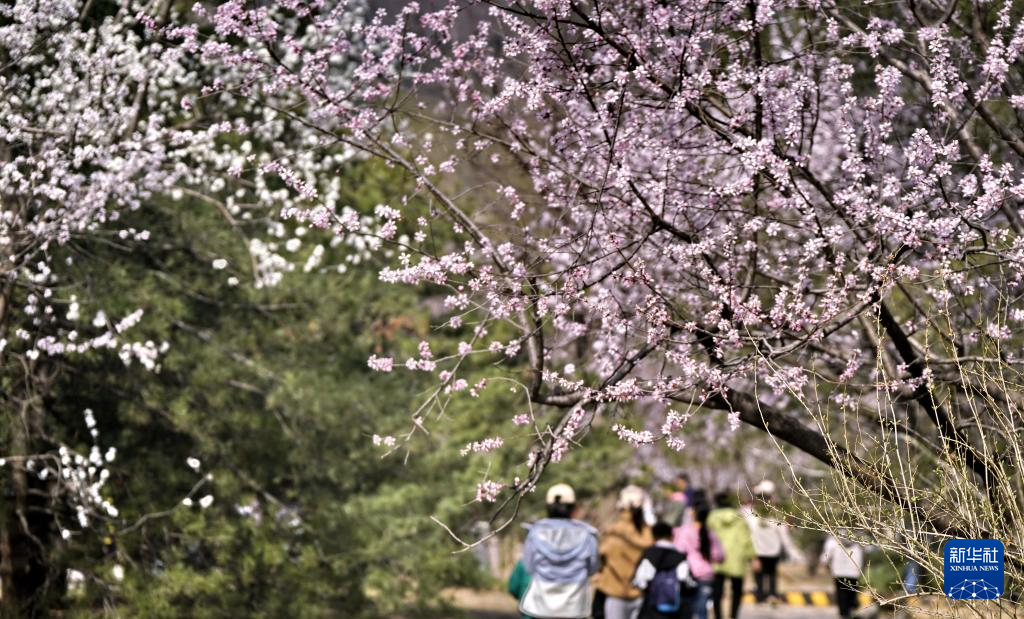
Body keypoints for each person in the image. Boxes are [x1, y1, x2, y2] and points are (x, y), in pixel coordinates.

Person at [520, 483, 600, 619]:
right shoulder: (587, 535)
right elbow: (593, 568)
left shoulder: (535, 533)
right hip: (574, 604)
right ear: (573, 508)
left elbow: (529, 567)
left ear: (548, 507)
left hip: (541, 604)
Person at [595, 485, 655, 619]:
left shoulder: (613, 531)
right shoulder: (647, 532)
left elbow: (600, 557)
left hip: (614, 593)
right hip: (640, 593)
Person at [741, 481, 803, 603]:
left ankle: (763, 596)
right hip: (769, 550)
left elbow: (750, 532)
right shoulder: (774, 512)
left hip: (761, 550)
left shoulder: (752, 512)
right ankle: (770, 594)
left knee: (763, 573)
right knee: (770, 573)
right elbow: (784, 535)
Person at [707, 492, 756, 619]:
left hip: (718, 559)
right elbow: (746, 539)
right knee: (737, 591)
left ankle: (718, 616)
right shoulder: (739, 517)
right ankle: (733, 615)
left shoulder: (711, 517)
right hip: (737, 559)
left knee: (717, 591)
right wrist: (752, 556)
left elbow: (707, 537)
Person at [633, 522, 694, 619]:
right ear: (671, 536)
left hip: (651, 610)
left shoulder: (649, 554)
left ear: (654, 536)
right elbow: (688, 583)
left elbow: (640, 581)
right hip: (676, 611)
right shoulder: (680, 557)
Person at [676, 504, 724, 619]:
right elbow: (720, 555)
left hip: (688, 575)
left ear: (693, 514)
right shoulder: (710, 534)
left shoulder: (684, 531)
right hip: (706, 575)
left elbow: (678, 550)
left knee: (686, 609)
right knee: (701, 611)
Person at [820, 533, 865, 619]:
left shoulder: (833, 540)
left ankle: (844, 614)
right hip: (854, 572)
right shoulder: (857, 539)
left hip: (839, 572)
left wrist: (825, 564)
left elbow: (826, 556)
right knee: (853, 592)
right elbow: (864, 554)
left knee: (841, 593)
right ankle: (853, 611)